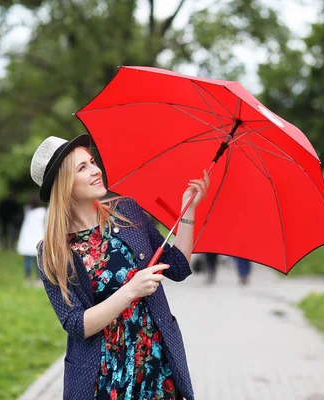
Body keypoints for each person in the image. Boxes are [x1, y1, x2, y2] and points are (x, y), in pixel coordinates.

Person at [30, 134, 208, 400]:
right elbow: (77, 325)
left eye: (92, 162)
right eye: (82, 168)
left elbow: (178, 268)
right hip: (103, 377)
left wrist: (189, 210)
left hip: (154, 365)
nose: (95, 170)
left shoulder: (127, 212)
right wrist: (131, 290)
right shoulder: (54, 252)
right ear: (64, 185)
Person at [16, 193, 47, 287]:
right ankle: (38, 280)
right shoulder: (42, 211)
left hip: (27, 238)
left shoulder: (27, 210)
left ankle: (27, 279)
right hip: (37, 237)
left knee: (27, 261)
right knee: (38, 261)